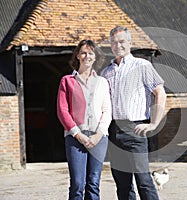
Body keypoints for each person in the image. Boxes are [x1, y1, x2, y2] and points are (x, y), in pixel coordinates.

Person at [101, 25, 166, 200]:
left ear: (129, 43)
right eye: (114, 42)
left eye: (122, 41)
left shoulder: (142, 65)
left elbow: (159, 91)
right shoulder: (106, 72)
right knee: (122, 183)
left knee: (143, 179)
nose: (118, 45)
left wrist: (154, 123)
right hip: (114, 131)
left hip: (135, 129)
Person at [57, 39, 112, 200]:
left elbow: (107, 110)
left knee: (94, 182)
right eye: (83, 52)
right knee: (77, 183)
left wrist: (99, 134)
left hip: (99, 138)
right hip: (75, 138)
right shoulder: (67, 81)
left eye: (91, 53)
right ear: (78, 56)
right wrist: (78, 134)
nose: (87, 56)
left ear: (95, 57)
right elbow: (62, 111)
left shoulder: (102, 82)